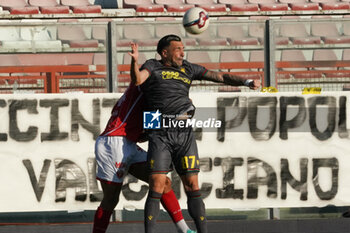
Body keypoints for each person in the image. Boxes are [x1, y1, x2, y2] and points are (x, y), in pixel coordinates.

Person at [129, 34, 261, 233]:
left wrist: (246, 81)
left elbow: (220, 77)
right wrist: (134, 61)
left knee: (192, 185)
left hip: (185, 134)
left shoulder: (188, 68)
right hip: (160, 134)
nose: (182, 53)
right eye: (178, 49)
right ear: (164, 53)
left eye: (183, 48)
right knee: (157, 184)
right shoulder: (152, 66)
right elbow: (138, 80)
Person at [92, 81, 196, 233]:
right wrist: (180, 111)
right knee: (111, 199)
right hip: (114, 144)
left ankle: (184, 229)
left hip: (128, 143)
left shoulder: (148, 94)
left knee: (163, 182)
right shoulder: (145, 86)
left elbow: (148, 132)